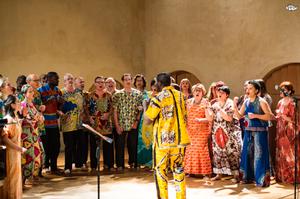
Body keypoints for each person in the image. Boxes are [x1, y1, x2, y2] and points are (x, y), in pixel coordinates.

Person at [144, 72, 190, 199]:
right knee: (179, 171)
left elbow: (147, 120)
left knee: (160, 172)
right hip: (179, 141)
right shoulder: (181, 96)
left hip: (162, 142)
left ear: (159, 83)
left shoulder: (158, 98)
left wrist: (145, 107)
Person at [235, 80, 272, 187]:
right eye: (247, 88)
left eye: (250, 88)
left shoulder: (262, 101)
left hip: (260, 132)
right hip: (248, 132)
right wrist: (234, 104)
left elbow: (269, 116)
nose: (248, 90)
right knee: (247, 154)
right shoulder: (246, 102)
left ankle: (261, 179)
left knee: (259, 155)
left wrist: (256, 116)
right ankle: (248, 178)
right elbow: (239, 116)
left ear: (256, 90)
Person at [207, 86, 242, 182]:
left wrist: (219, 109)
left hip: (230, 134)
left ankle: (236, 175)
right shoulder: (215, 104)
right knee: (218, 153)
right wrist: (207, 108)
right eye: (218, 92)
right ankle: (219, 173)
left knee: (233, 153)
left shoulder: (230, 104)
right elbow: (210, 118)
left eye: (221, 93)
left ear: (227, 95)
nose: (219, 94)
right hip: (218, 134)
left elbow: (229, 118)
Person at [112, 73, 143, 170]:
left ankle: (133, 162)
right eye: (125, 79)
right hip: (121, 123)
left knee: (133, 144)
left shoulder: (138, 94)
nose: (128, 81)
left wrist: (136, 122)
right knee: (120, 145)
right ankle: (120, 165)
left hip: (133, 123)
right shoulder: (117, 94)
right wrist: (117, 125)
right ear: (123, 81)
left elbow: (140, 110)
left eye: (129, 79)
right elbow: (115, 111)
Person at [1, 95, 26, 199]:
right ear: (12, 105)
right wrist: (20, 149)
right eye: (18, 102)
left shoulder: (15, 118)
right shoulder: (8, 119)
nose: (20, 103)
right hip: (10, 153)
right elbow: (5, 139)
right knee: (12, 178)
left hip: (16, 153)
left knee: (16, 177)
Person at [184, 83, 212, 178]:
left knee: (201, 150)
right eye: (196, 90)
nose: (197, 92)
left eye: (199, 91)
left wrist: (200, 120)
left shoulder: (206, 102)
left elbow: (210, 118)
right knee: (190, 150)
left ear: (202, 93)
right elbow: (184, 116)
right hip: (190, 130)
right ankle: (190, 171)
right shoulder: (188, 102)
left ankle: (205, 172)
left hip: (201, 130)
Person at [38, 72, 63, 174]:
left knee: (56, 146)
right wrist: (47, 101)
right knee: (46, 147)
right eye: (55, 78)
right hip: (44, 124)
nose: (57, 80)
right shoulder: (40, 91)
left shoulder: (58, 91)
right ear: (48, 79)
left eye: (58, 78)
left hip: (54, 123)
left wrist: (61, 104)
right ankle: (45, 166)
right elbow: (37, 106)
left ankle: (54, 167)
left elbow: (59, 106)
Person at [275, 81, 300, 183]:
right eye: (280, 89)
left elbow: (295, 119)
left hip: (290, 130)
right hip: (280, 130)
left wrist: (283, 116)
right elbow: (278, 115)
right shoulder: (280, 102)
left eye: (283, 89)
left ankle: (293, 177)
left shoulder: (292, 103)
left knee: (290, 153)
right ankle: (283, 176)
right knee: (282, 153)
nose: (281, 91)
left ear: (289, 91)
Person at [60, 73, 83, 175]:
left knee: (78, 145)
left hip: (78, 123)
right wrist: (61, 114)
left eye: (71, 79)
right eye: (68, 79)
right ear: (64, 82)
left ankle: (78, 164)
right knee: (69, 146)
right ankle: (67, 167)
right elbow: (57, 108)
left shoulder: (78, 92)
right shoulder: (61, 92)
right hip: (67, 124)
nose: (70, 80)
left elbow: (83, 107)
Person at [20, 85, 44, 184]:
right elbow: (22, 119)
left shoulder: (32, 104)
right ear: (24, 94)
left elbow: (37, 116)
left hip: (35, 132)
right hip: (27, 134)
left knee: (39, 152)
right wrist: (31, 121)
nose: (32, 93)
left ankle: (34, 174)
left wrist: (40, 118)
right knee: (30, 155)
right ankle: (27, 177)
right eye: (29, 92)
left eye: (32, 91)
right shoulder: (23, 105)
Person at [89, 76, 113, 171]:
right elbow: (86, 107)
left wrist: (108, 114)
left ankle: (109, 164)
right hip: (94, 123)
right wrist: (89, 117)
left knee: (108, 144)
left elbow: (112, 107)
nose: (100, 84)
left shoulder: (109, 95)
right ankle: (94, 166)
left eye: (102, 82)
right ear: (95, 84)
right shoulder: (90, 95)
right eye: (98, 82)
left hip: (106, 123)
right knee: (94, 145)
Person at [74, 76, 89, 170]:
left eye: (83, 82)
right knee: (76, 144)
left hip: (84, 123)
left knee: (84, 143)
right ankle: (76, 162)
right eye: (80, 82)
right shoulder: (72, 94)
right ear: (75, 84)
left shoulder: (86, 94)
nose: (82, 83)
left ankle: (84, 161)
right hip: (74, 123)